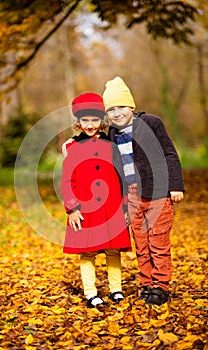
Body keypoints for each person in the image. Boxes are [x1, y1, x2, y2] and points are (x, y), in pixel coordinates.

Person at [102, 77, 185, 306]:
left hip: (157, 191)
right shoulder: (111, 134)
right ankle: (147, 283)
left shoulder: (151, 122)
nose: (116, 113)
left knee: (157, 241)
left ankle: (160, 286)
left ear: (131, 106)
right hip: (132, 195)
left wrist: (175, 185)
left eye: (120, 107)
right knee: (141, 242)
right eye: (111, 110)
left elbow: (169, 153)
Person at [61, 92, 131, 308]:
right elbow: (67, 181)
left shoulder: (111, 145)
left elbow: (121, 176)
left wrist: (126, 206)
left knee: (113, 249)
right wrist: (72, 208)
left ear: (101, 121)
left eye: (94, 120)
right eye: (85, 120)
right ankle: (91, 292)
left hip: (111, 207)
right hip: (85, 208)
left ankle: (116, 289)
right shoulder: (72, 148)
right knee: (88, 251)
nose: (90, 125)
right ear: (78, 122)